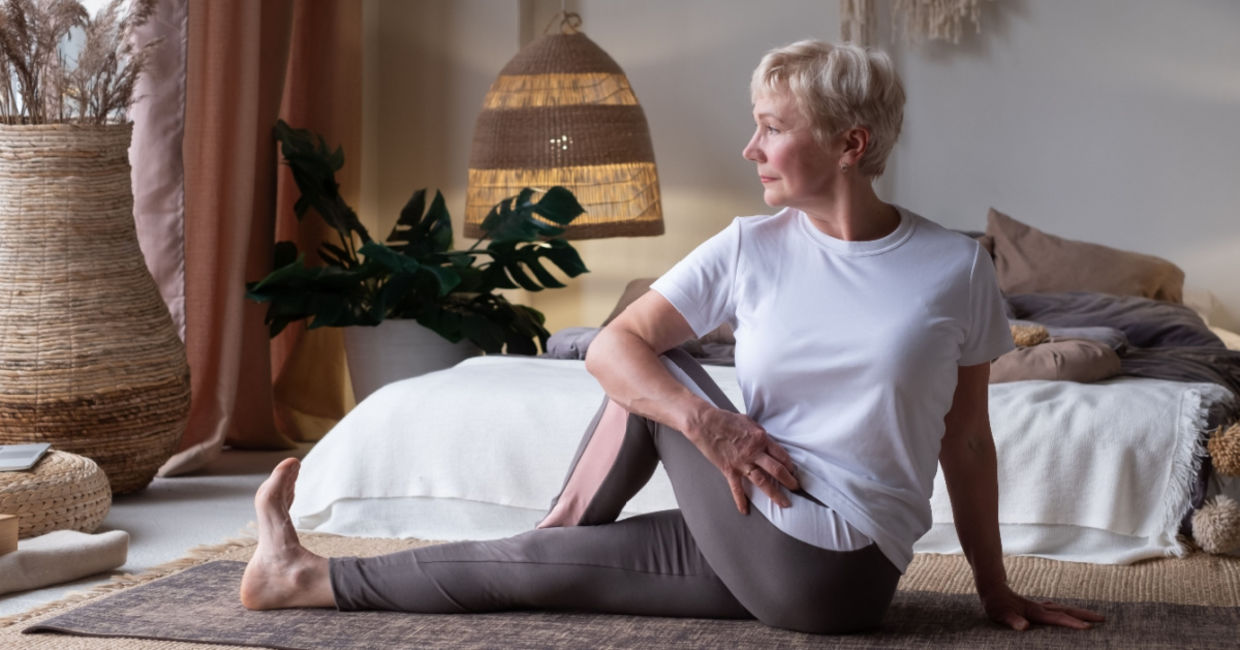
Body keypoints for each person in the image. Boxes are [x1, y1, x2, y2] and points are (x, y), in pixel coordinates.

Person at [239, 39, 1104, 634]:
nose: (748, 147)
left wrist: (994, 588)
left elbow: (969, 441)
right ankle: (303, 579)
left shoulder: (954, 268)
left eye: (772, 127)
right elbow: (616, 348)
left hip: (837, 565)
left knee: (665, 369)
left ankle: (553, 525)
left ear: (851, 142)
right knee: (540, 571)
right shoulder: (749, 246)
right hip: (760, 526)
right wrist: (714, 428)